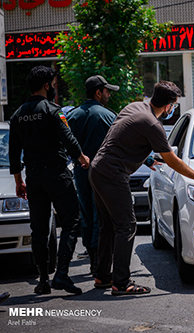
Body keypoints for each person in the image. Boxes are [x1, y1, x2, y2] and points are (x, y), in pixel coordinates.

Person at [89, 81, 194, 295]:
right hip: (113, 174)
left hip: (98, 169)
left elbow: (124, 138)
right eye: (174, 106)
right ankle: (121, 283)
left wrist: (148, 159)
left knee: (108, 226)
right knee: (127, 225)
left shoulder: (134, 107)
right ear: (169, 106)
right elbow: (172, 161)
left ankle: (103, 276)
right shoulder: (153, 124)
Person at [9, 65, 90, 295]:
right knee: (72, 221)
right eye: (53, 84)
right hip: (56, 174)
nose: (54, 88)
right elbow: (69, 139)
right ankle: (61, 275)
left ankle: (43, 280)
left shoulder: (17, 115)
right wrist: (83, 158)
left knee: (39, 230)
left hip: (32, 177)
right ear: (46, 86)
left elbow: (14, 153)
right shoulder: (53, 110)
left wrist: (18, 181)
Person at [67, 75, 119, 276]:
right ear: (98, 93)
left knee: (87, 217)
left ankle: (92, 259)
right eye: (107, 92)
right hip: (104, 176)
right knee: (101, 218)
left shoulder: (71, 116)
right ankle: (100, 263)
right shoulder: (108, 116)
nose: (108, 96)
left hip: (80, 175)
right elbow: (122, 143)